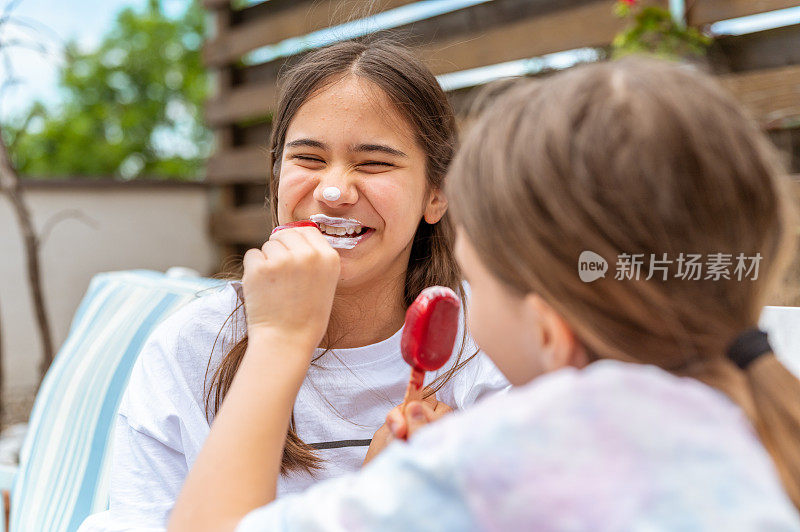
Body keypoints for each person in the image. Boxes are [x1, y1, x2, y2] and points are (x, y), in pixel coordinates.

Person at [169, 57, 800, 531]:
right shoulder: (753, 435)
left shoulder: (504, 460)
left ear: (549, 330)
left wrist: (279, 340)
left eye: (475, 277)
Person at [78, 39, 508, 531]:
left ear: (437, 193)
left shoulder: (488, 343)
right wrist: (371, 505)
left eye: (374, 163)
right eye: (307, 157)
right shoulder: (191, 347)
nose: (333, 191)